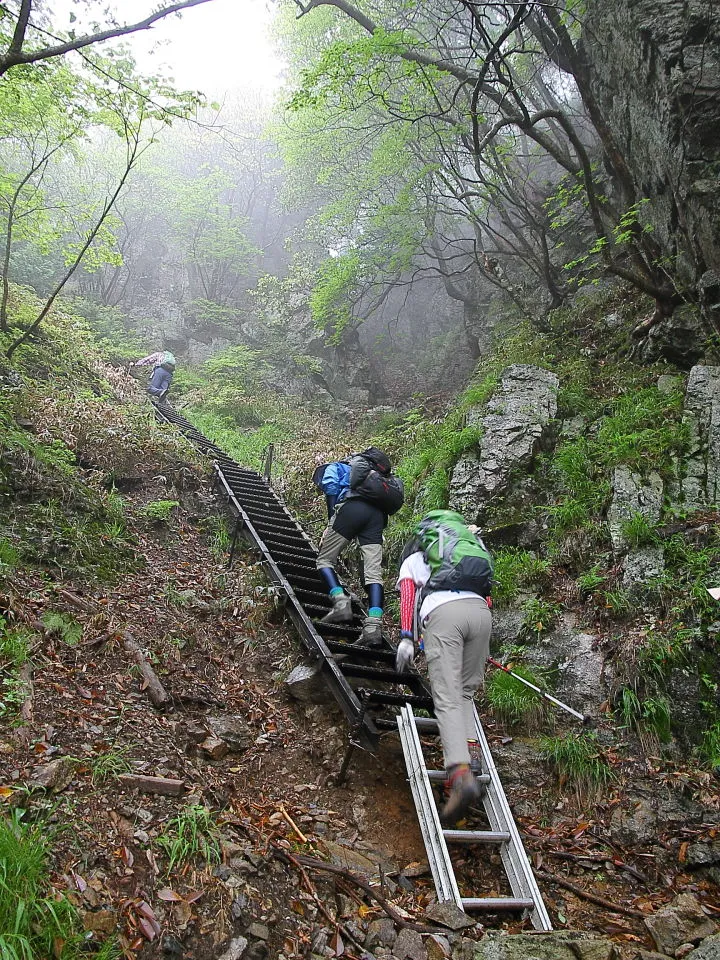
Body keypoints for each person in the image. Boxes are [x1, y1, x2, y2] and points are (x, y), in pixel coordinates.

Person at [395, 510, 493, 826]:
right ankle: (472, 755)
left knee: (447, 697)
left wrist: (407, 638)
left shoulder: (416, 558)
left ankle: (461, 775)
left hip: (443, 614)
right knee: (465, 692)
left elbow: (408, 596)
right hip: (480, 614)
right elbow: (487, 593)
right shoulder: (468, 547)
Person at [315, 447, 404, 647]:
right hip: (377, 518)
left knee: (325, 560)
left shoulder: (340, 466)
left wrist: (331, 525)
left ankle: (340, 601)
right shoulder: (384, 479)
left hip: (352, 508)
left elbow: (330, 486)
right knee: (374, 575)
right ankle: (373, 625)